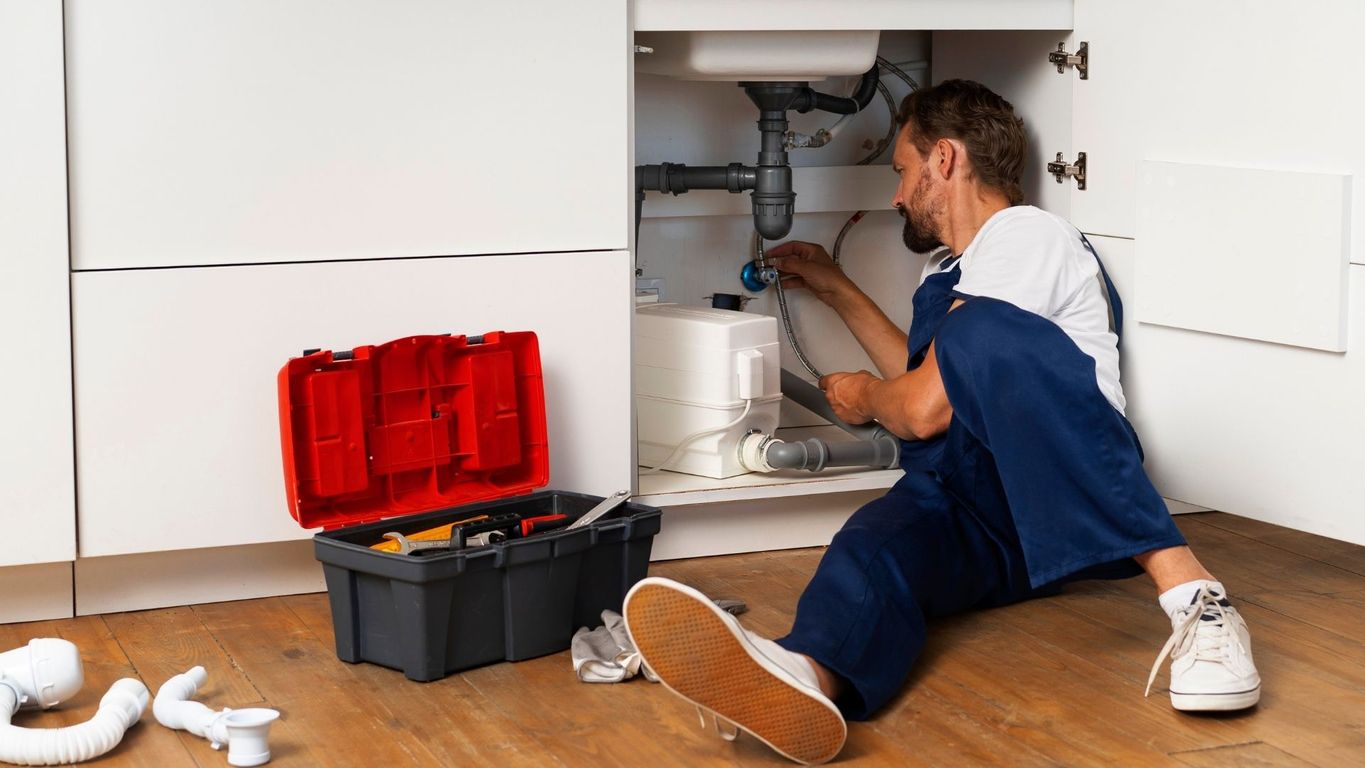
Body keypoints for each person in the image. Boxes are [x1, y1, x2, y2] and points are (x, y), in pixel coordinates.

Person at [621, 79, 1261, 765]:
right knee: (872, 547)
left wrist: (868, 395)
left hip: (1060, 487)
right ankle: (805, 677)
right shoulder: (947, 270)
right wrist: (838, 290)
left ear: (945, 160)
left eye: (901, 170)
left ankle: (1197, 600)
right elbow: (930, 380)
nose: (896, 195)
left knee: (974, 336)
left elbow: (925, 406)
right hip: (975, 510)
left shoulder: (1025, 235)